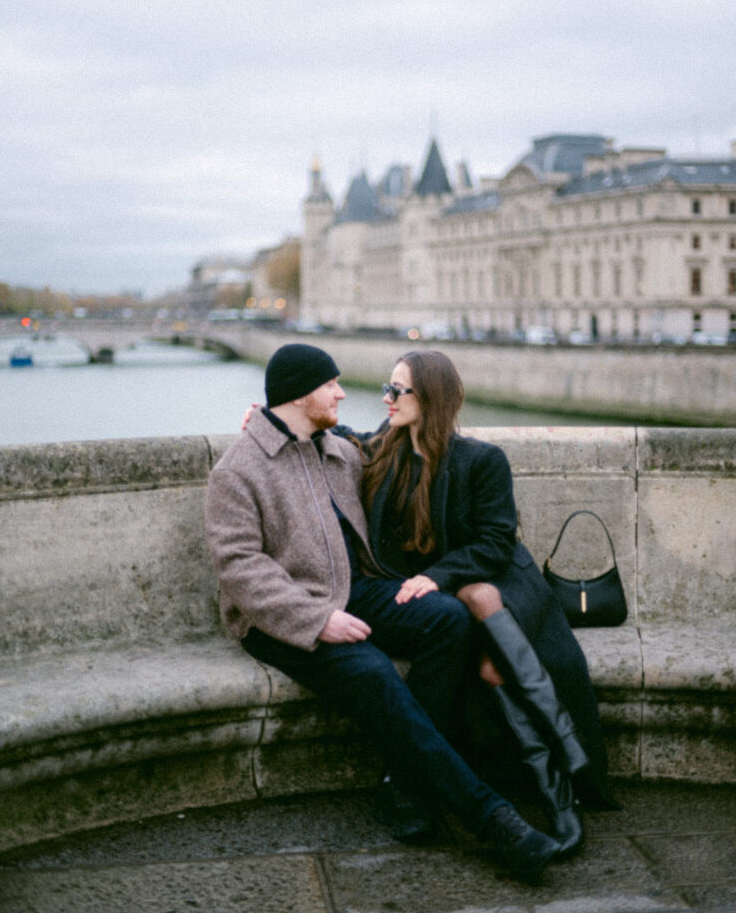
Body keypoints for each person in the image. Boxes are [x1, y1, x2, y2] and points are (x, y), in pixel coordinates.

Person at [205, 342, 561, 885]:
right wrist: (316, 619)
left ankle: (402, 782)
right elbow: (238, 567)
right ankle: (493, 819)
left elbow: (381, 443)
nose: (343, 393)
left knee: (447, 618)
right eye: (332, 385)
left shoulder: (338, 451)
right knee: (372, 670)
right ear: (303, 394)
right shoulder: (239, 470)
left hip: (354, 589)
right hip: (283, 618)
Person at [347, 350, 619, 856]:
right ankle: (561, 776)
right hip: (443, 592)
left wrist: (436, 576)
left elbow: (497, 542)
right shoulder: (381, 449)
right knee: (482, 646)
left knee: (486, 633)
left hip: (497, 581)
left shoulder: (481, 459)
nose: (385, 399)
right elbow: (333, 433)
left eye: (396, 390)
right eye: (386, 388)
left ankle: (560, 792)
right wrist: (266, 419)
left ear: (429, 397)